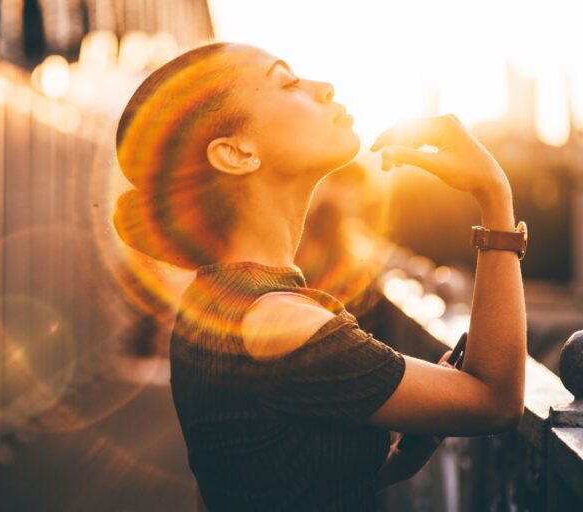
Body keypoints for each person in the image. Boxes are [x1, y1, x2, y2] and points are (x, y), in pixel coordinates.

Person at [113, 42, 526, 511]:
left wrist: (414, 441)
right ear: (236, 152)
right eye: (287, 82)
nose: (324, 87)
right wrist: (494, 196)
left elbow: (288, 479)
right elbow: (496, 401)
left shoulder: (217, 301)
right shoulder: (281, 325)